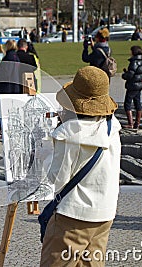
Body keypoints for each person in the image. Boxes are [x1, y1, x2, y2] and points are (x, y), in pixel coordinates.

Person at [40, 66, 121, 267]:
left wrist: (46, 151)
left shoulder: (68, 134)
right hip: (105, 213)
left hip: (73, 216)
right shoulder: (112, 126)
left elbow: (56, 178)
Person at [0, 40, 20, 139]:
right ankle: (7, 129)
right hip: (14, 87)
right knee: (8, 110)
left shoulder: (8, 58)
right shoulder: (16, 57)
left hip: (5, 87)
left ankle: (3, 129)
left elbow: (5, 74)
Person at [121, 46, 142, 129]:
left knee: (127, 104)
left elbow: (131, 74)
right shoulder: (141, 61)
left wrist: (124, 75)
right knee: (137, 103)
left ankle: (130, 123)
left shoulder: (134, 62)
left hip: (133, 86)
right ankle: (137, 123)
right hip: (138, 85)